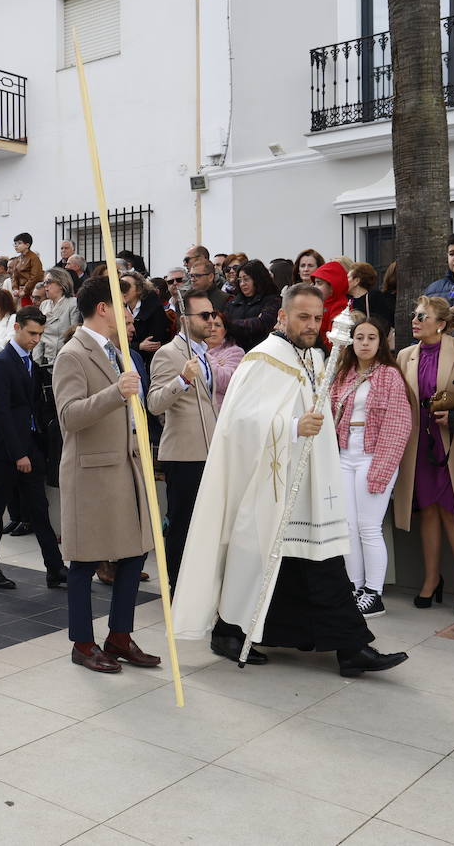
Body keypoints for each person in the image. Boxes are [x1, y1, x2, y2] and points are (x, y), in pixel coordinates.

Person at [173, 283, 407, 677]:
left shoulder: (315, 358)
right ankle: (230, 631)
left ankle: (348, 647)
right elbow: (239, 423)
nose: (312, 324)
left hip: (310, 485)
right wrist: (293, 426)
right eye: (303, 316)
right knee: (265, 560)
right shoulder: (265, 358)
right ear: (282, 316)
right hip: (270, 485)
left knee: (318, 564)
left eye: (317, 317)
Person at [52, 277, 159, 673]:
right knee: (84, 560)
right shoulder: (72, 354)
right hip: (91, 471)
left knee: (134, 553)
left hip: (126, 465)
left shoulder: (118, 351)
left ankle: (119, 635)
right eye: (123, 305)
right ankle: (82, 642)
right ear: (103, 308)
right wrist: (116, 392)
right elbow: (69, 416)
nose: (130, 313)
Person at [394, 296, 454, 616]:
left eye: (422, 316)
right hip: (419, 445)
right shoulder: (405, 355)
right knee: (428, 512)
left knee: (453, 514)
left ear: (441, 324)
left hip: (453, 444)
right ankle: (431, 580)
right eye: (414, 316)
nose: (415, 321)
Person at [327, 318, 412, 617]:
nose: (365, 342)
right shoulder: (342, 374)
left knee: (369, 527)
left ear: (381, 341)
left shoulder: (389, 375)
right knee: (347, 526)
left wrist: (383, 465)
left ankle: (373, 593)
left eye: (371, 337)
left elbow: (399, 423)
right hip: (344, 454)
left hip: (373, 454)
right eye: (359, 337)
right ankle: (354, 587)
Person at [0, 306, 67, 589]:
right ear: (16, 328)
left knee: (39, 510)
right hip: (7, 449)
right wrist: (19, 453)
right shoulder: (3, 362)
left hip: (30, 444)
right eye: (31, 333)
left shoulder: (29, 362)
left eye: (40, 334)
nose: (36, 339)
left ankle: (54, 568)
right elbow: (1, 412)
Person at [147, 289, 218, 592]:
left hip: (208, 452)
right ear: (184, 319)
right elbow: (153, 403)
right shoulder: (168, 354)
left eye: (213, 314)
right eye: (204, 315)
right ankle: (176, 588)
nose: (212, 320)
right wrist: (182, 380)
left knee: (203, 526)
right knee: (180, 525)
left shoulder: (205, 353)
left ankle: (197, 585)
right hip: (183, 454)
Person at [221, 260, 281, 351]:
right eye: (240, 280)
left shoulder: (273, 300)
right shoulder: (233, 302)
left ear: (257, 279)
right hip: (234, 353)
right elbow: (222, 325)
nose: (242, 284)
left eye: (246, 279)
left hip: (262, 352)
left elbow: (263, 324)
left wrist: (230, 324)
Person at [33, 269, 80, 366]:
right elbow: (39, 335)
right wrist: (35, 361)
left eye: (49, 282)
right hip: (45, 358)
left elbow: (74, 334)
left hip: (65, 357)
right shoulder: (44, 305)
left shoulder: (73, 303)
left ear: (61, 284)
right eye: (44, 282)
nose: (45, 285)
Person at [204, 313, 244, 411]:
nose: (212, 329)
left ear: (225, 331)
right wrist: (216, 364)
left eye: (217, 325)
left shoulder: (235, 352)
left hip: (219, 414)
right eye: (209, 325)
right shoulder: (193, 351)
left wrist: (205, 359)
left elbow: (226, 383)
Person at [346, 261, 395, 329]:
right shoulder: (347, 300)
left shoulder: (375, 298)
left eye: (348, 277)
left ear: (356, 281)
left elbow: (383, 325)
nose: (345, 280)